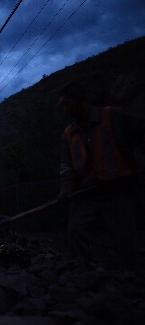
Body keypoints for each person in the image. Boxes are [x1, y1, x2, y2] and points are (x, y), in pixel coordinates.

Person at [57, 82, 144, 270]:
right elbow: (66, 166)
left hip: (118, 189)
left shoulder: (112, 116)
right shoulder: (69, 133)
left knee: (124, 236)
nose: (65, 109)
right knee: (76, 231)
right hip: (87, 192)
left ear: (80, 101)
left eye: (67, 103)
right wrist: (66, 190)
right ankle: (82, 272)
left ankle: (132, 277)